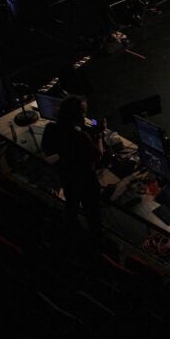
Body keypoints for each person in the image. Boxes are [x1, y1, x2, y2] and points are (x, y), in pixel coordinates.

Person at [41, 96, 104, 240]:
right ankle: (96, 240)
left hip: (66, 177)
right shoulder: (81, 137)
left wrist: (93, 124)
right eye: (84, 113)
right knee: (92, 214)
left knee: (72, 204)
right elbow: (98, 155)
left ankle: (72, 232)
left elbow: (47, 148)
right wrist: (99, 136)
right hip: (86, 181)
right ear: (78, 115)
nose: (86, 116)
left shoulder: (51, 128)